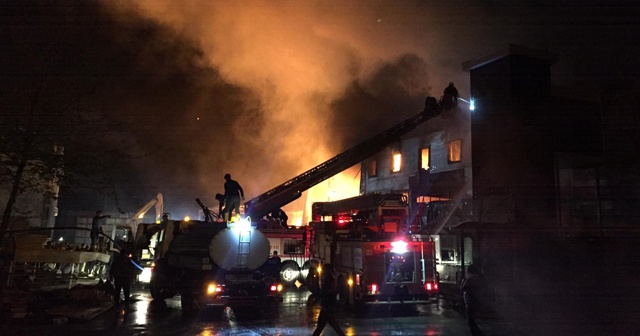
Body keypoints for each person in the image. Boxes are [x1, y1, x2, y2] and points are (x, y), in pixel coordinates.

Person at [312, 263, 346, 336]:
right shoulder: (329, 278)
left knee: (321, 327)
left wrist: (317, 299)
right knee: (333, 326)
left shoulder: (328, 279)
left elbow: (327, 292)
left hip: (327, 307)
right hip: (328, 307)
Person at [459, 264, 485, 336]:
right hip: (473, 301)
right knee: (471, 320)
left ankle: (477, 334)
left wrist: (463, 281)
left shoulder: (470, 280)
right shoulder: (476, 279)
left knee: (470, 321)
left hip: (470, 302)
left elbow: (463, 288)